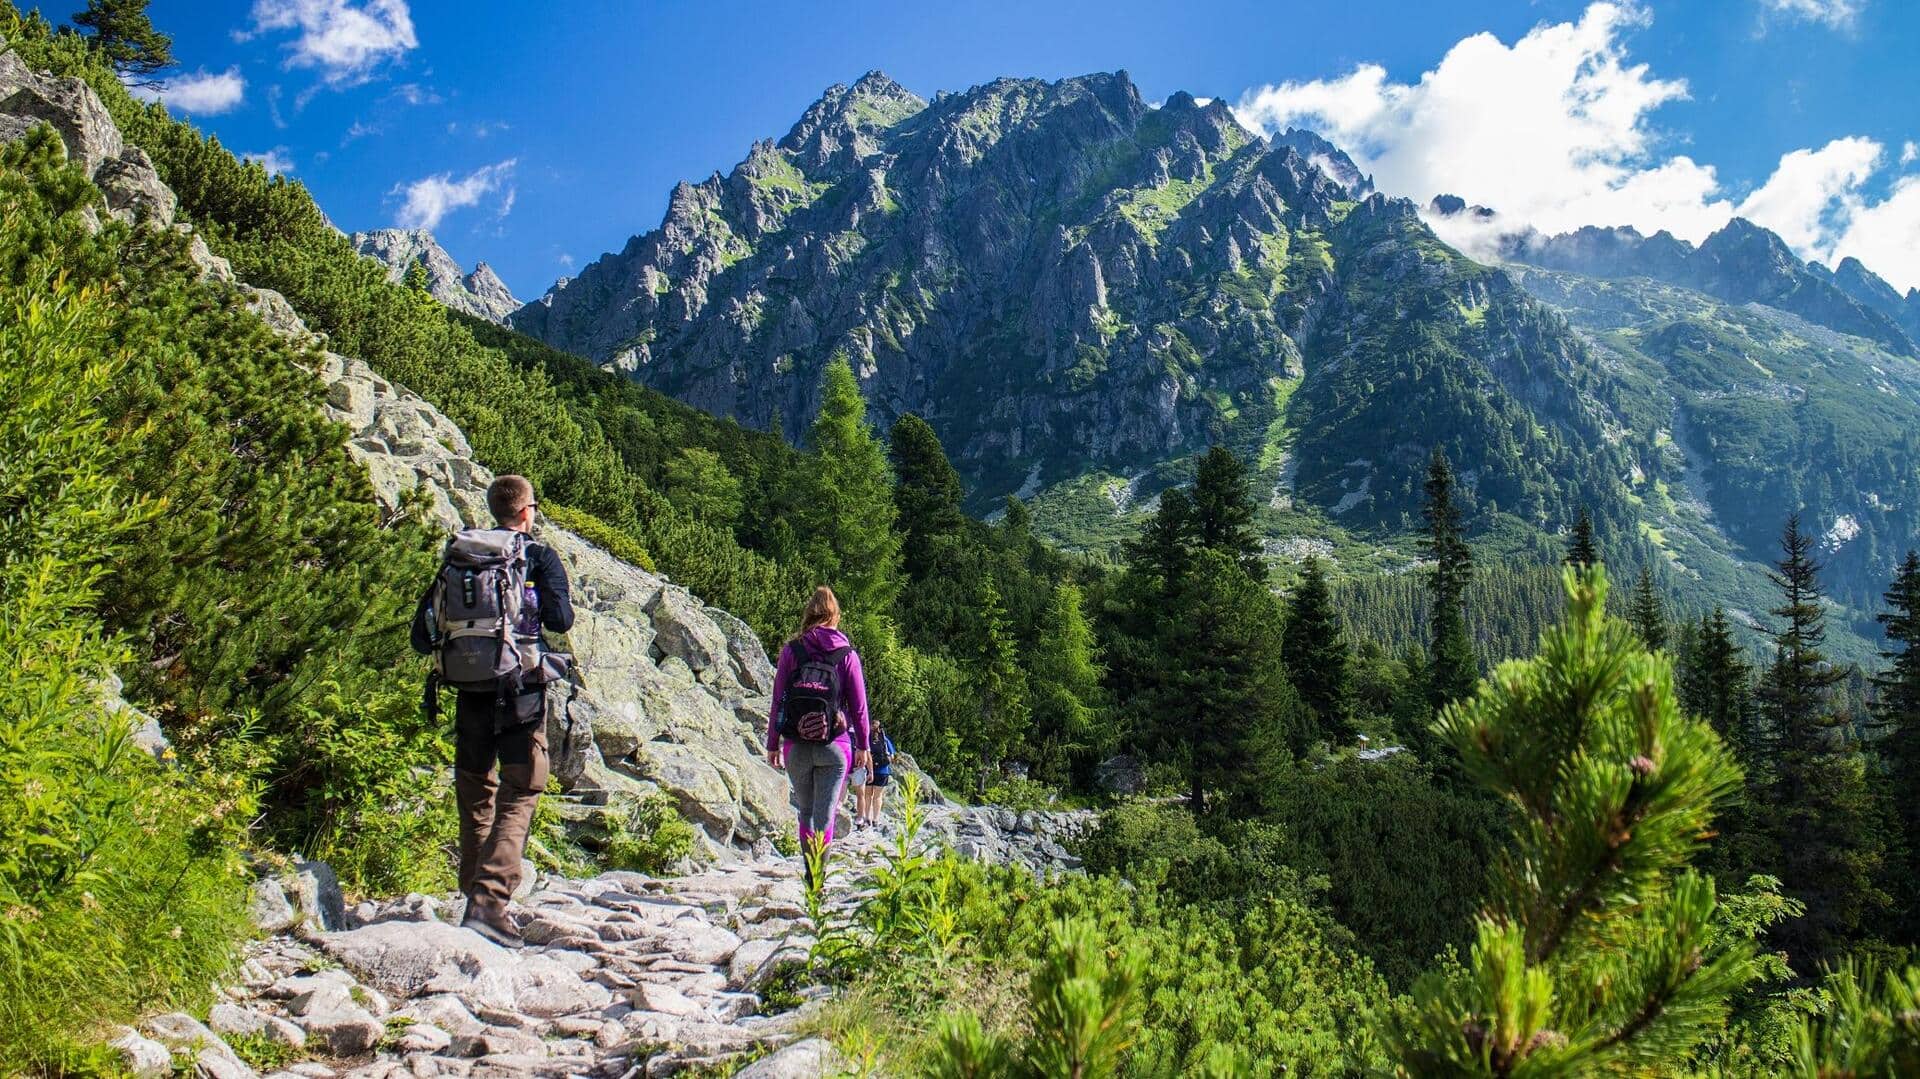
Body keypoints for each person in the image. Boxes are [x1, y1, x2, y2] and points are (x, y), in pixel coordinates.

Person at [411, 475, 573, 948]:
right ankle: (490, 899)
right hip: (521, 690)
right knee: (522, 787)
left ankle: (473, 895)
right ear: (527, 512)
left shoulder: (460, 556)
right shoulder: (536, 556)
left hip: (467, 688)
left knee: (475, 789)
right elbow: (562, 620)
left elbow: (421, 635)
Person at [766, 586, 870, 878]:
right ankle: (817, 879)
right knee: (826, 815)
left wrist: (773, 743)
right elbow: (859, 707)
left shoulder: (792, 650)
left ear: (809, 614)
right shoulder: (847, 655)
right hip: (835, 746)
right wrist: (863, 745)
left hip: (796, 745)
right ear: (835, 616)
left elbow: (778, 700)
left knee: (806, 811)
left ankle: (809, 870)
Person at [855, 722, 894, 829]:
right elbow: (892, 756)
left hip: (868, 770)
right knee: (878, 796)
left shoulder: (866, 740)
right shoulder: (885, 740)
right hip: (883, 771)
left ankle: (867, 818)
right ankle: (876, 819)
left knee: (867, 795)